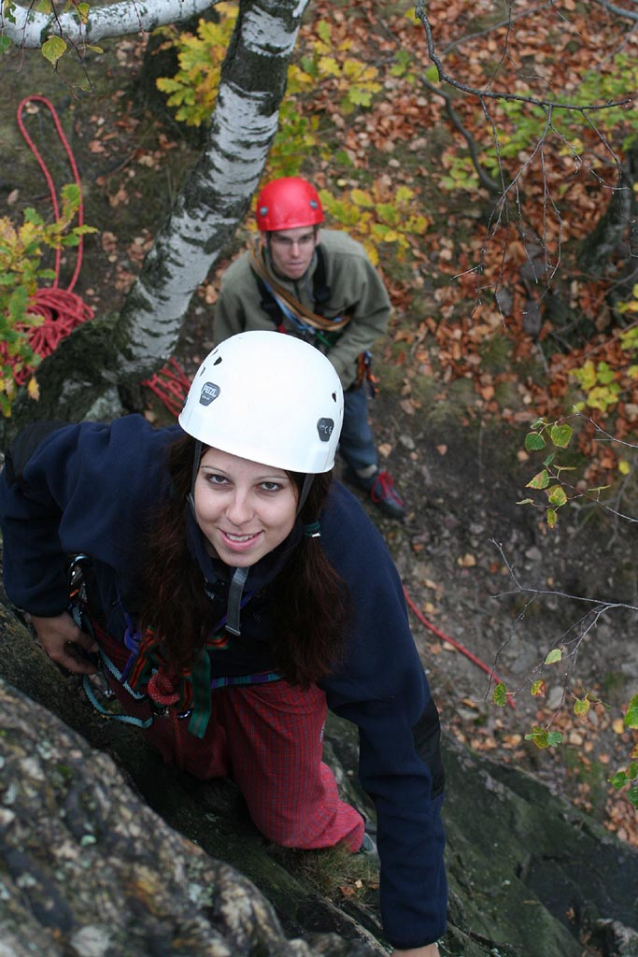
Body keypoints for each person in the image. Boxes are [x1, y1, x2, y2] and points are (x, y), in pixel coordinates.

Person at [0, 331, 446, 956]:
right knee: (185, 757)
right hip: (160, 627)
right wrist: (43, 601)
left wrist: (416, 933)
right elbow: (26, 464)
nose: (237, 515)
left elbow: (407, 751)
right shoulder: (131, 476)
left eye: (269, 488)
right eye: (218, 479)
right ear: (191, 465)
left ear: (307, 491)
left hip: (267, 667)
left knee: (289, 818)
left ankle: (333, 826)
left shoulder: (350, 564)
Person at [214, 176, 407, 520]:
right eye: (284, 241)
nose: (295, 253)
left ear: (318, 235)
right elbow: (228, 352)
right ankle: (299, 495)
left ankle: (365, 474)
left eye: (305, 239)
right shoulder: (239, 286)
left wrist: (334, 364)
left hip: (341, 378)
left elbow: (374, 316)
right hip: (277, 391)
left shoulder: (348, 261)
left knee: (356, 431)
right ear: (266, 239)